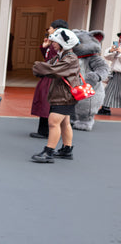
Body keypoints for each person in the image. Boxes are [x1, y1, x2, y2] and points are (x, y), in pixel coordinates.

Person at [30, 27, 81, 163]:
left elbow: (52, 70)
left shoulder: (69, 58)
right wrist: (41, 68)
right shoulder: (63, 56)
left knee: (53, 122)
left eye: (55, 41)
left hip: (64, 96)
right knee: (64, 123)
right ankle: (66, 150)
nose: (52, 43)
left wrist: (37, 66)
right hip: (64, 95)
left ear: (64, 43)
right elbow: (48, 66)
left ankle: (49, 152)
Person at [30, 19, 69, 139]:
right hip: (49, 76)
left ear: (57, 29)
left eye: (50, 28)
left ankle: (45, 131)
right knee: (46, 103)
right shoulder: (54, 43)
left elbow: (52, 61)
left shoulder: (58, 44)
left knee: (46, 103)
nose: (48, 30)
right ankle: (45, 130)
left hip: (51, 77)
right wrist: (44, 47)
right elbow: (49, 58)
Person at [98, 32, 121, 116]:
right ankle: (105, 108)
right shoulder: (118, 46)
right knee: (109, 91)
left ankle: (105, 108)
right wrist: (112, 51)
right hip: (116, 73)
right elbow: (107, 57)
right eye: (120, 37)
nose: (120, 39)